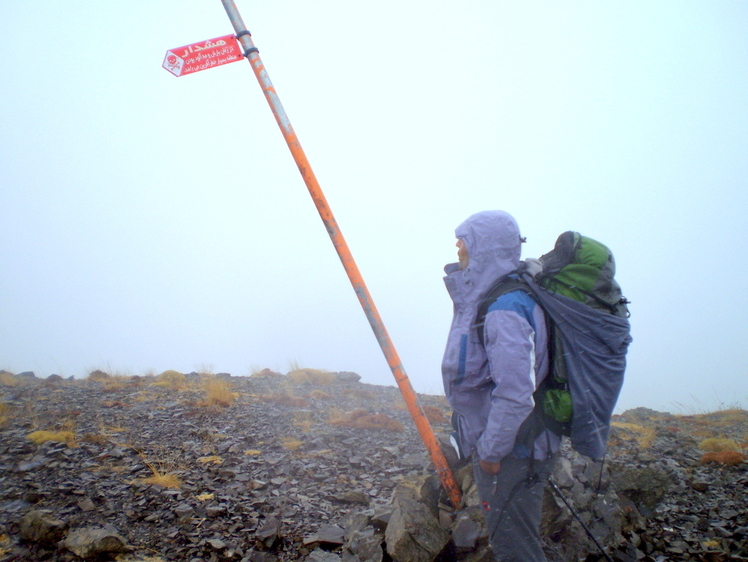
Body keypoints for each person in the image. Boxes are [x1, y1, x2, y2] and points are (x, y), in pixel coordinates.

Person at [442, 210, 560, 562]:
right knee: (514, 540)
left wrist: (491, 454)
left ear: (484, 248)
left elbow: (515, 393)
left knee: (515, 548)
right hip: (518, 445)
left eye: (465, 239)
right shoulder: (500, 296)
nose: (457, 245)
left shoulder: (504, 307)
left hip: (514, 452)